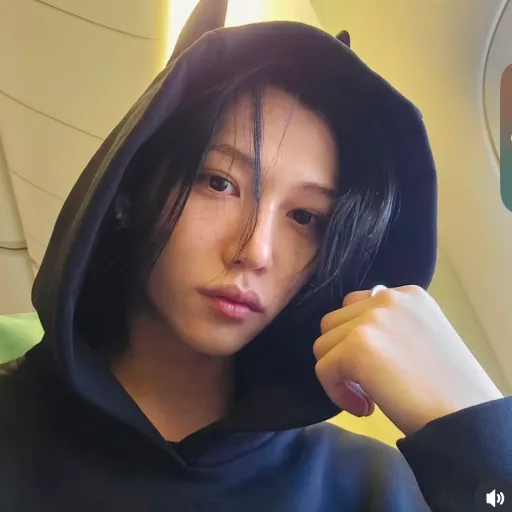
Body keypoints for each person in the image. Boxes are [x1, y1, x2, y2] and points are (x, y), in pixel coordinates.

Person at [0, 1, 511, 511]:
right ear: (128, 191)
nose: (255, 251)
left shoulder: (369, 486)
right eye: (219, 183)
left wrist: (475, 425)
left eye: (304, 217)